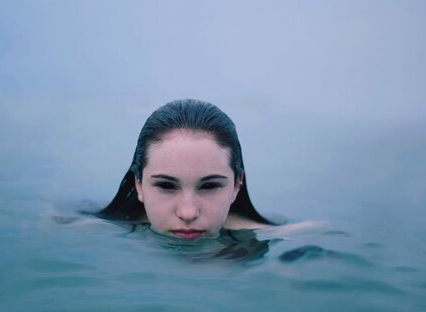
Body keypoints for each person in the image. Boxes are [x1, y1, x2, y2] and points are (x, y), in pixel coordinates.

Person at [96, 99, 320, 240]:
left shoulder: (279, 241)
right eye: (165, 185)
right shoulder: (94, 232)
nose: (188, 213)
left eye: (210, 186)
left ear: (235, 185)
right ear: (139, 185)